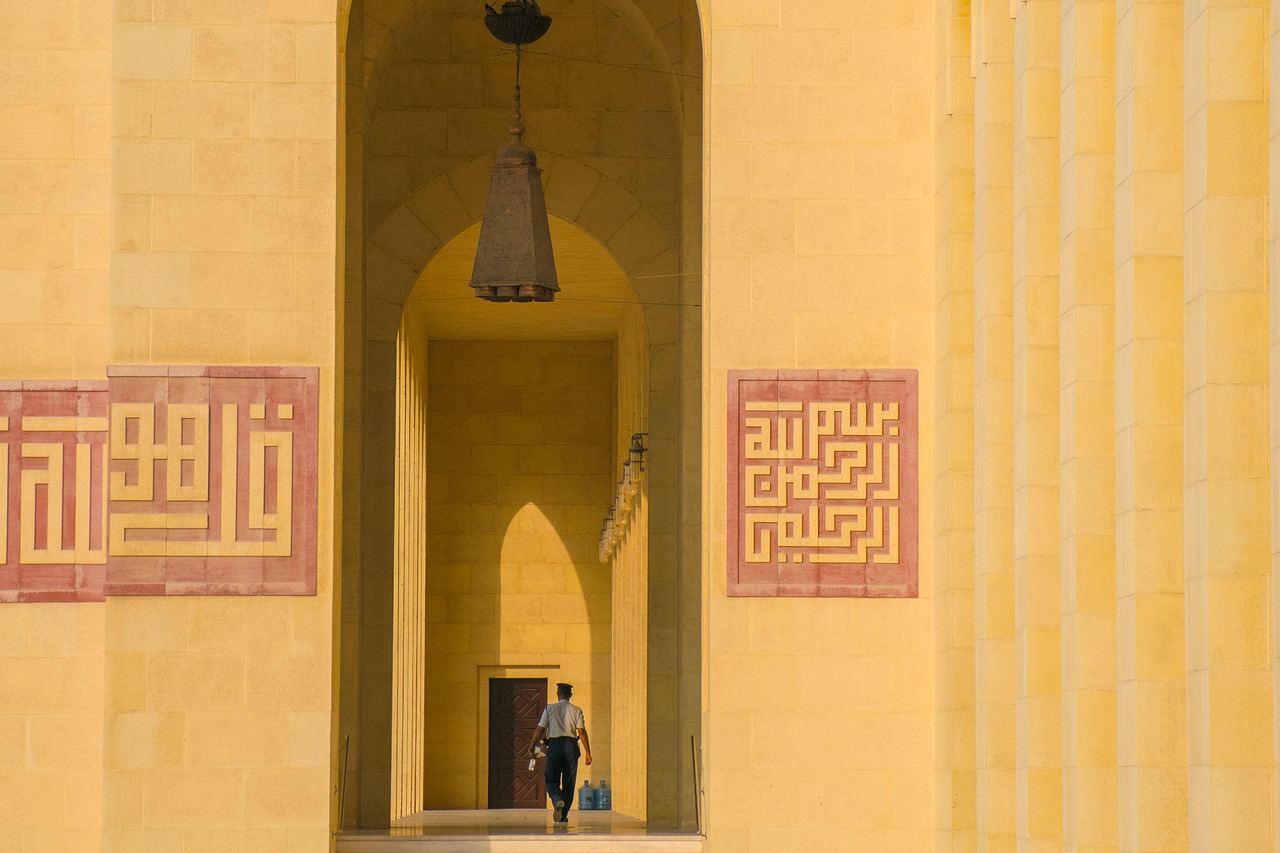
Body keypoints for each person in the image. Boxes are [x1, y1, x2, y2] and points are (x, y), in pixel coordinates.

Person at [528, 682, 592, 822]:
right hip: (571, 746)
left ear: (558, 695)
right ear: (570, 695)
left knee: (551, 778)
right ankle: (563, 816)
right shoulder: (577, 710)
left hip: (555, 746)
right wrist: (588, 752)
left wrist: (532, 746)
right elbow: (581, 731)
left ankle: (557, 799)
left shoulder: (549, 709)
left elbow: (540, 729)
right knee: (569, 782)